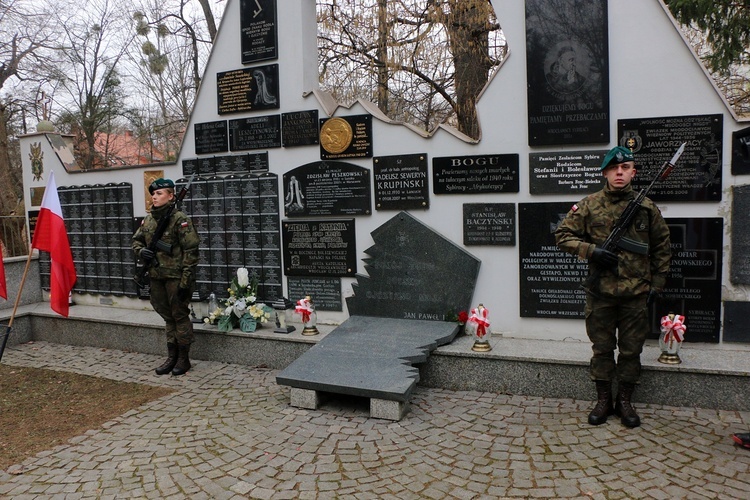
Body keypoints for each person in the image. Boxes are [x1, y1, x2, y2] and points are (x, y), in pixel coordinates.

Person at [555, 146, 672, 428]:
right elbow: (562, 235)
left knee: (631, 350)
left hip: (635, 294)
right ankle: (604, 400)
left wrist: (656, 284)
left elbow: (662, 248)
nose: (620, 173)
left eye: (626, 168)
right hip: (601, 293)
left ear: (633, 172)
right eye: (614, 169)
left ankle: (625, 402)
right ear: (606, 172)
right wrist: (591, 251)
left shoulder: (647, 208)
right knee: (602, 348)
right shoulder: (589, 205)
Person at [133, 178, 200, 376]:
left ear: (171, 196)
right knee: (167, 317)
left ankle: (183, 358)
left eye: (159, 193)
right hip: (156, 276)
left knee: (179, 316)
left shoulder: (179, 219)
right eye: (153, 194)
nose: (154, 196)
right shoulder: (149, 219)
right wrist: (141, 251)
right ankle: (171, 356)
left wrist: (186, 280)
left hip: (176, 278)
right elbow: (136, 240)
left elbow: (191, 250)